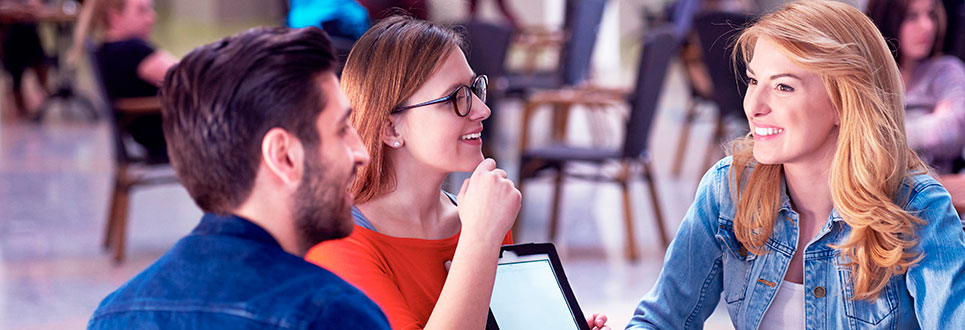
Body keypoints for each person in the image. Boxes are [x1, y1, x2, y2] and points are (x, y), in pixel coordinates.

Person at [627, 1, 965, 329]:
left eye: (783, 86)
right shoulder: (728, 189)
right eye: (754, 80)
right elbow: (660, 319)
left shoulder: (918, 208)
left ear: (843, 103)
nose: (754, 106)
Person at [304, 16, 609, 330]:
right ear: (390, 127)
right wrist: (479, 239)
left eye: (475, 89)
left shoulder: (479, 216)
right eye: (455, 98)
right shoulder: (338, 243)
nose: (482, 110)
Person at [87, 26, 389, 329]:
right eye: (341, 130)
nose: (361, 153)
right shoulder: (332, 314)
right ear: (283, 155)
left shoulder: (113, 314)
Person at [867, 0, 965, 174]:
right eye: (912, 16)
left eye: (931, 14)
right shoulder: (869, 80)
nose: (927, 26)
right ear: (887, 19)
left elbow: (955, 130)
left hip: (933, 192)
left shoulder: (946, 71)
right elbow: (862, 143)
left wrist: (885, 134)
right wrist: (933, 122)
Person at [93, 0, 176, 161]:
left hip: (152, 139)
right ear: (115, 17)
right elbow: (192, 76)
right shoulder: (131, 50)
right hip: (175, 141)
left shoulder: (105, 51)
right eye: (142, 11)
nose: (151, 18)